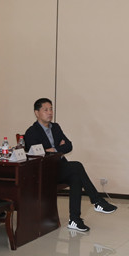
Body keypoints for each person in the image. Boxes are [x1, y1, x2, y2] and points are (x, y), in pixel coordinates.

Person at [22, 98, 116, 233]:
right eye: (46, 110)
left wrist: (53, 149)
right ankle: (97, 201)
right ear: (37, 113)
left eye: (51, 109)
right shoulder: (32, 132)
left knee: (75, 177)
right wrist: (57, 148)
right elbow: (37, 152)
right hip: (44, 172)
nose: (50, 112)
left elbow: (69, 145)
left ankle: (75, 220)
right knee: (77, 166)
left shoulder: (56, 127)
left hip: (59, 168)